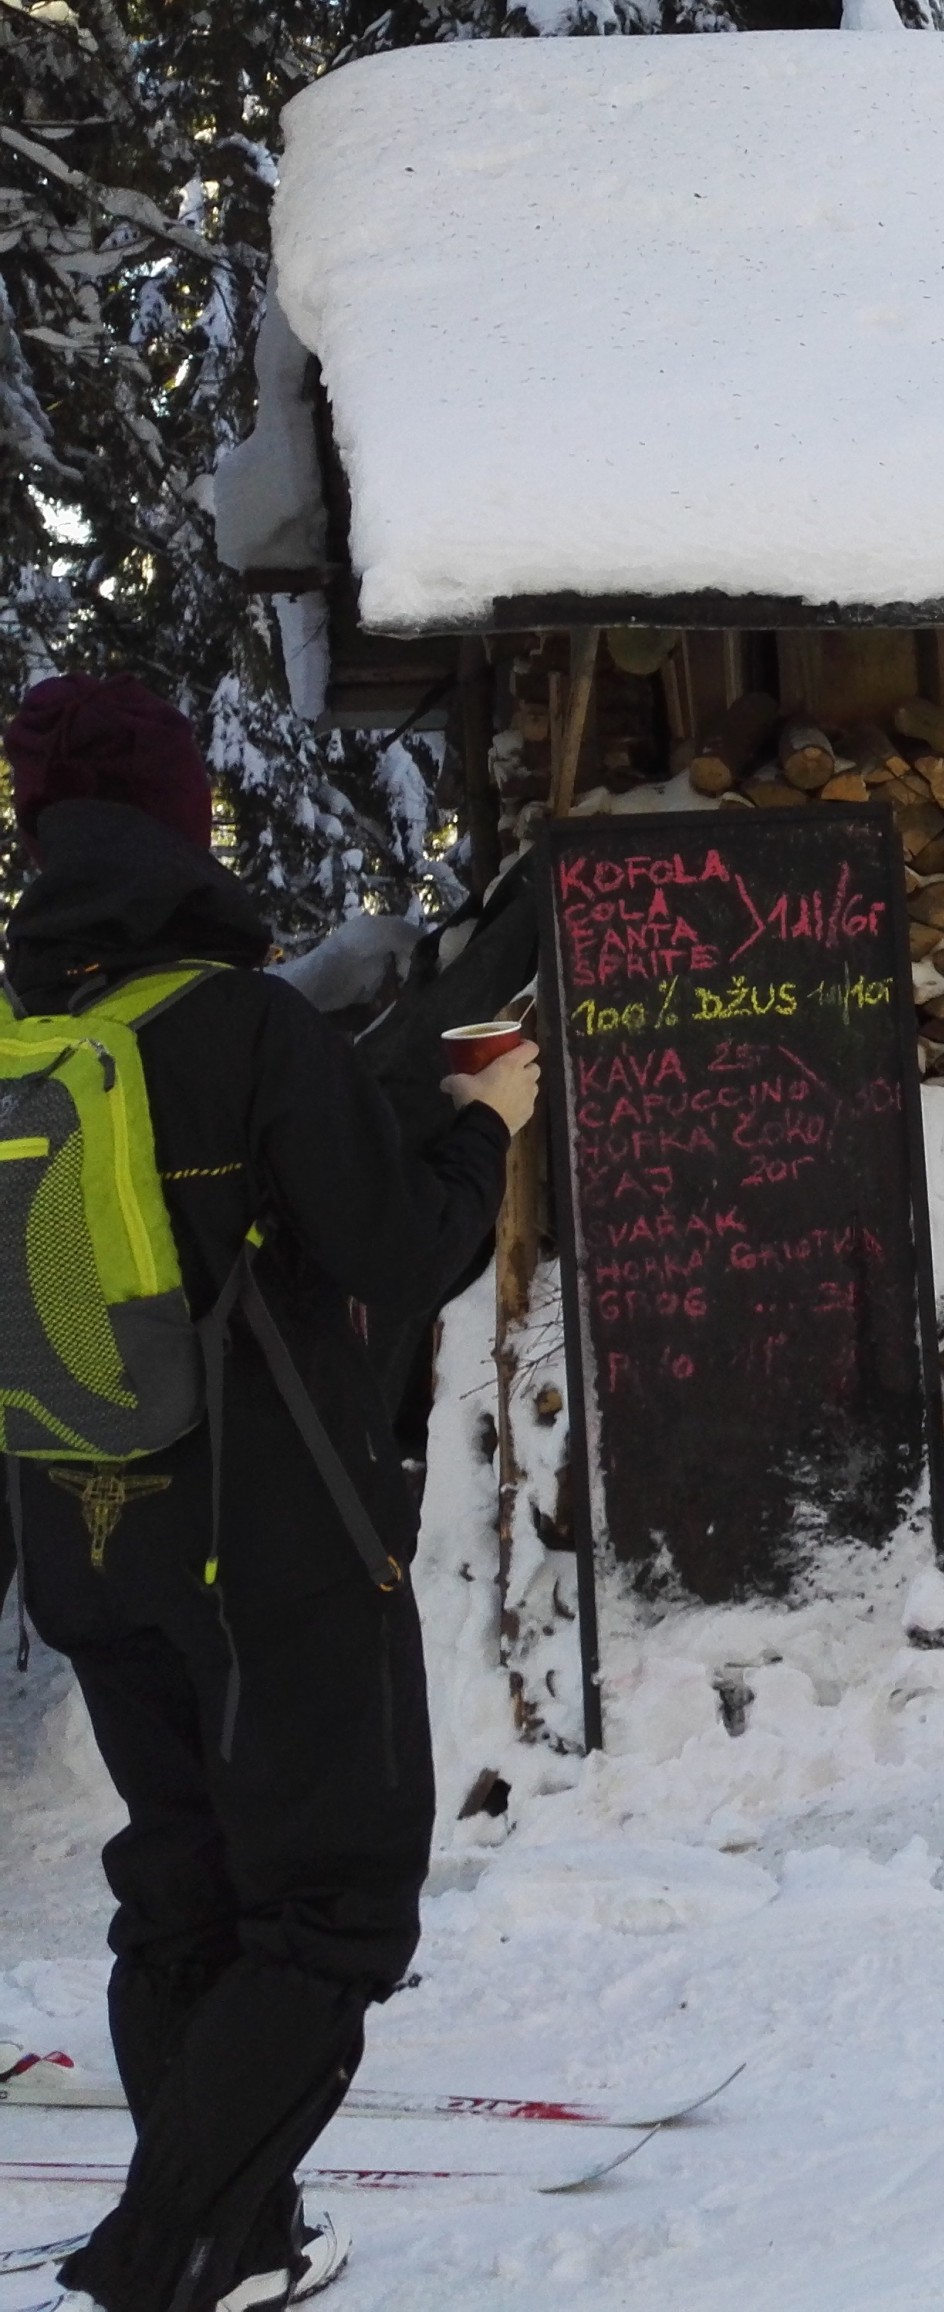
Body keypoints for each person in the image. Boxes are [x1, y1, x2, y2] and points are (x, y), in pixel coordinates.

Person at [0, 678, 536, 2312]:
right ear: (180, 830)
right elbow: (400, 1251)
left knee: (187, 1888)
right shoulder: (244, 1031)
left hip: (83, 1534)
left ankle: (250, 2237)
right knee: (333, 1916)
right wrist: (483, 1132)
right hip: (272, 1545)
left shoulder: (27, 1036)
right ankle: (170, 2258)